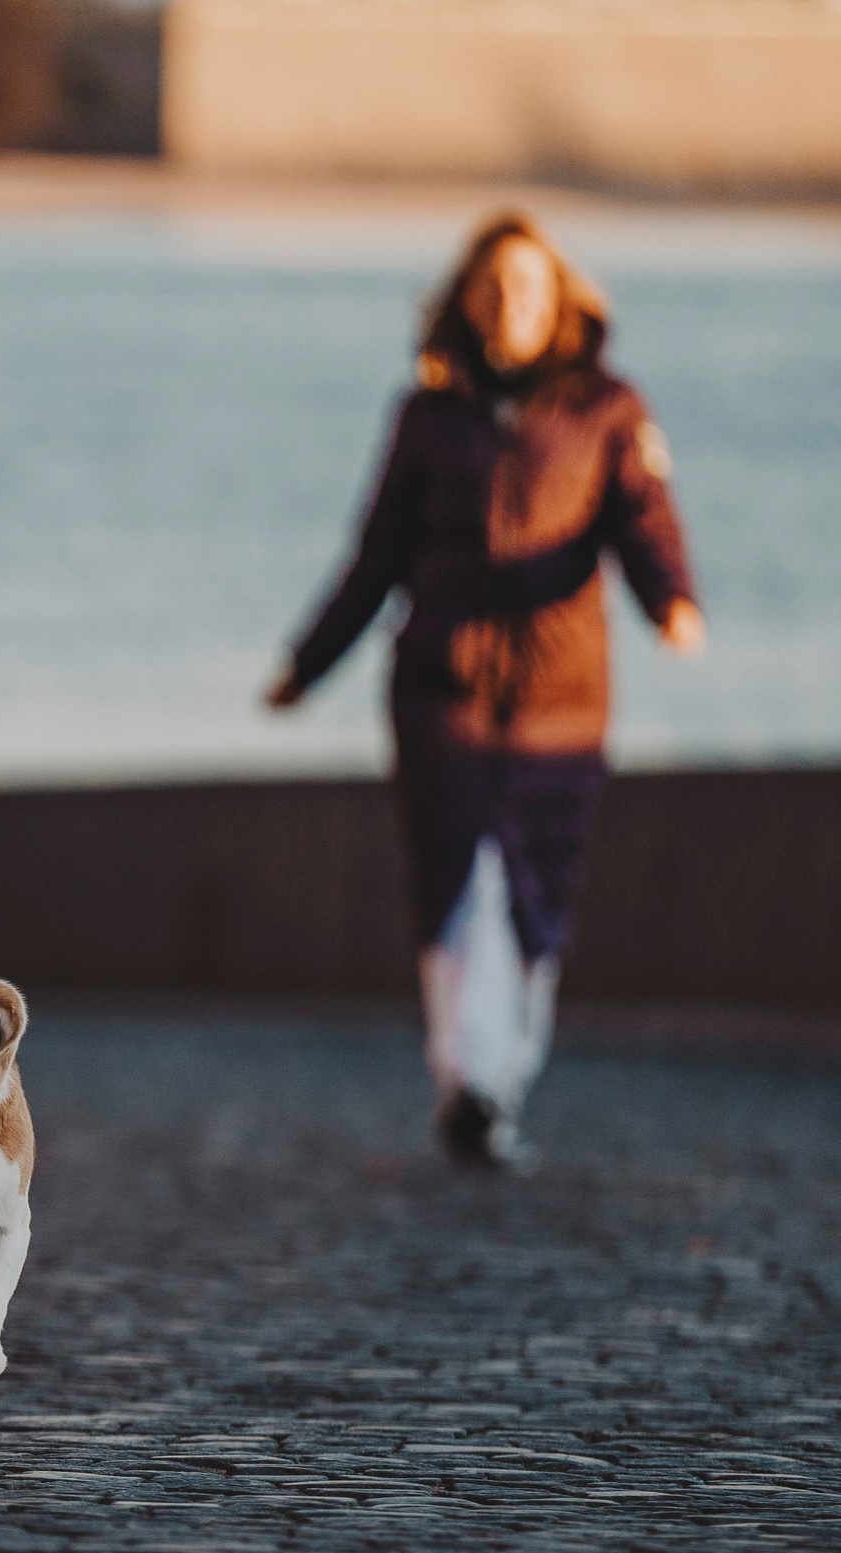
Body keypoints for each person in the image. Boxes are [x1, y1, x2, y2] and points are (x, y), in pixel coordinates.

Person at [267, 210, 704, 1171]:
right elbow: (375, 552)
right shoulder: (425, 416)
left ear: (559, 304)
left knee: (536, 892)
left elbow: (645, 516)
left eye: (529, 288)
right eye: (494, 287)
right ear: (468, 299)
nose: (510, 304)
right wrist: (307, 664)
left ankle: (500, 1077)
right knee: (457, 885)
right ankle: (469, 1077)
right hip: (441, 692)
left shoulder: (610, 408)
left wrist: (672, 600)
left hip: (562, 697)